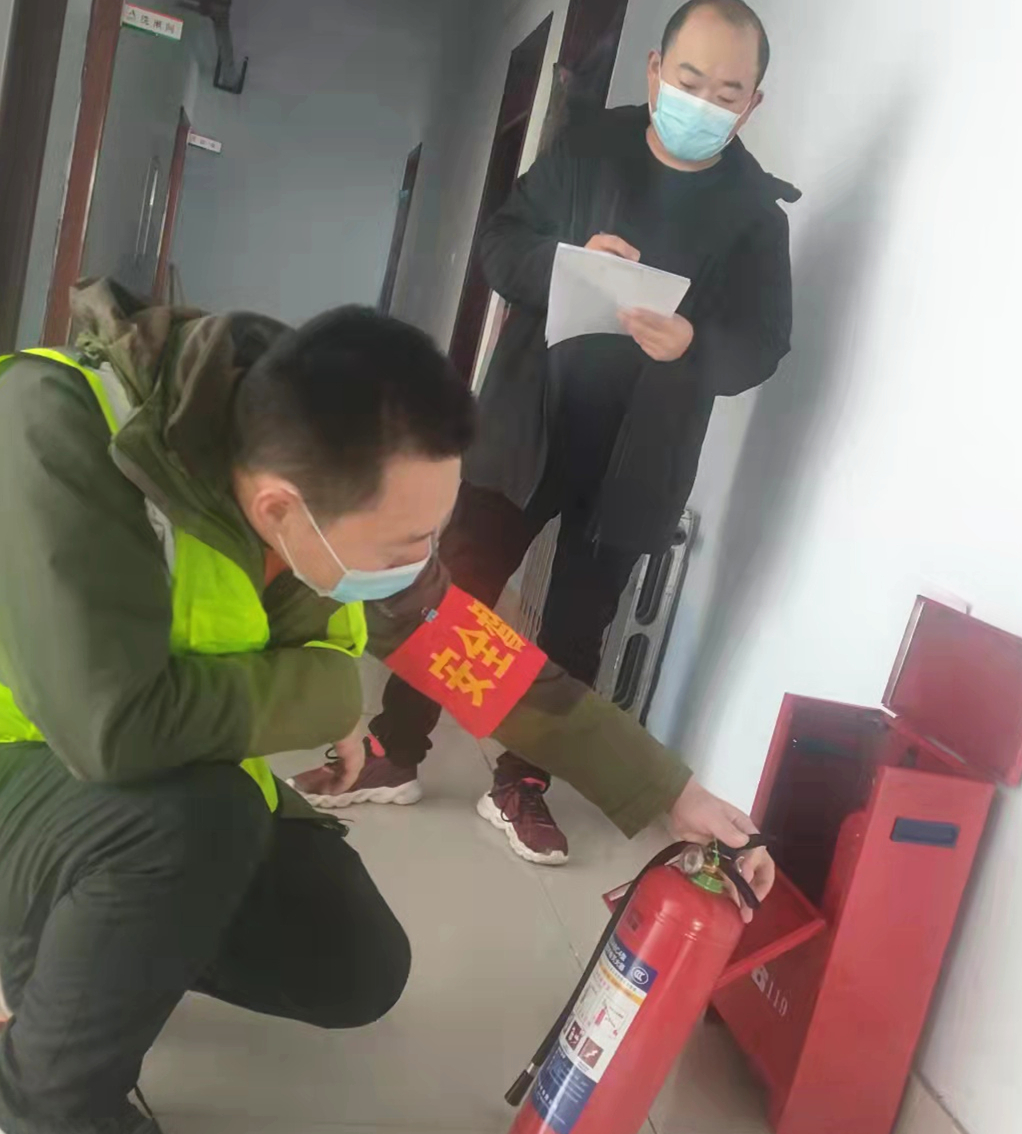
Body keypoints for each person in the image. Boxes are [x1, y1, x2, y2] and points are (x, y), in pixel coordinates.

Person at [0, 280, 774, 1134]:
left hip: (146, 790)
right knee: (201, 815)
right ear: (279, 510)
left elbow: (485, 666)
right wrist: (329, 696)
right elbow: (113, 726)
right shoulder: (60, 431)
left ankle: (94, 952)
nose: (420, 564)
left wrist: (672, 792)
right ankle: (46, 1102)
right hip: (40, 767)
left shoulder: (324, 476)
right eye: (406, 544)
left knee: (351, 965)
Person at [293, 0, 798, 867]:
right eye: (690, 81)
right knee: (457, 591)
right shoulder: (588, 148)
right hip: (531, 418)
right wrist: (566, 261)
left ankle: (521, 782)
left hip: (643, 452)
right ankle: (396, 749)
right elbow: (501, 246)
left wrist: (693, 342)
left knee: (581, 623)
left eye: (727, 93)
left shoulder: (757, 215)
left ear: (751, 104)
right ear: (655, 73)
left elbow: (762, 344)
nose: (705, 102)